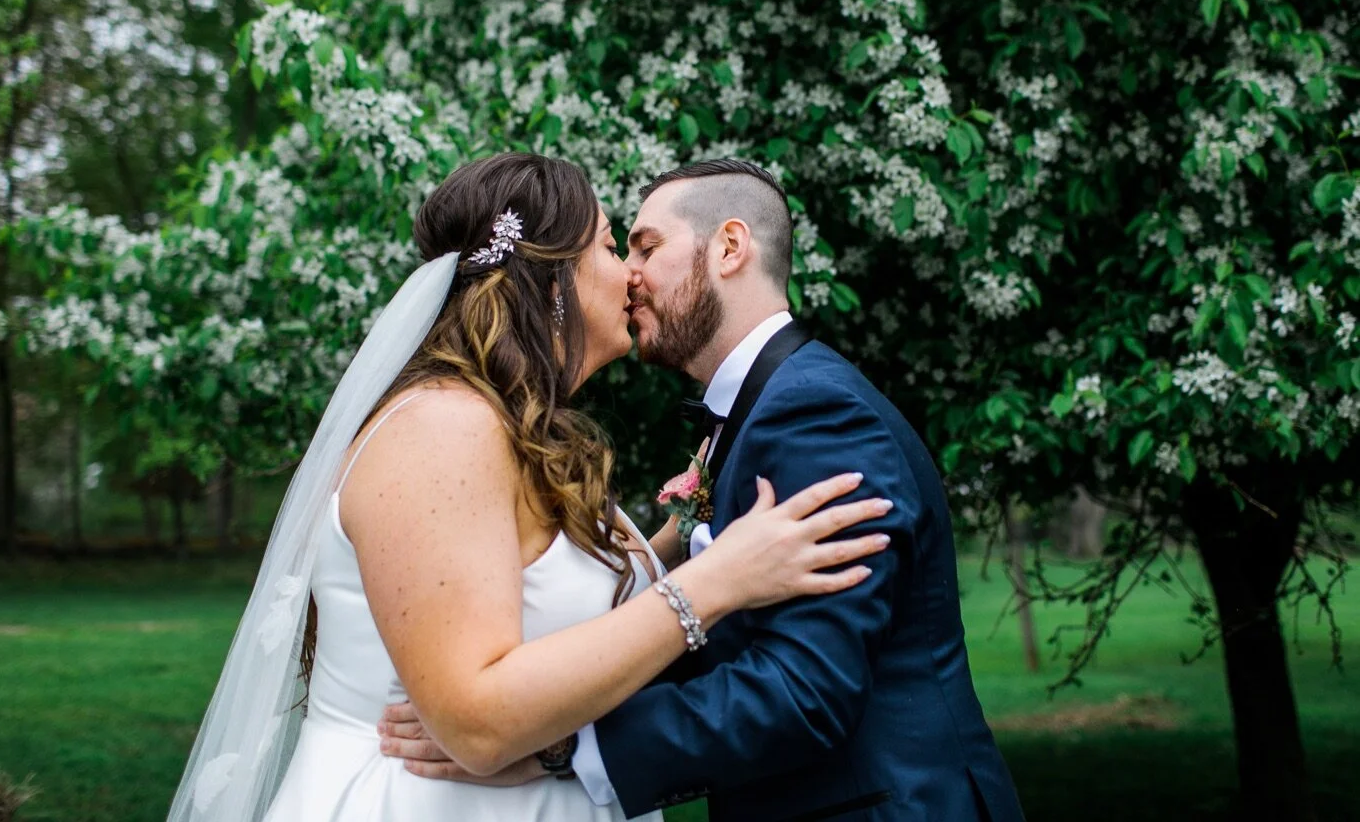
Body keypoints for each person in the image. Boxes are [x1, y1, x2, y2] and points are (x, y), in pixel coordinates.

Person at [165, 153, 893, 822]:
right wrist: (716, 582)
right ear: (553, 282)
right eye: (613, 248)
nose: (631, 275)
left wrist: (683, 541)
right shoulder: (442, 430)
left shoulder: (512, 432)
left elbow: (552, 603)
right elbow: (477, 721)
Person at [384, 159, 1026, 822]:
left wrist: (564, 750)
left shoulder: (816, 414)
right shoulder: (766, 408)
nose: (629, 275)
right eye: (621, 249)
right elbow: (732, 645)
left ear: (729, 247)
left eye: (646, 247)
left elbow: (806, 687)